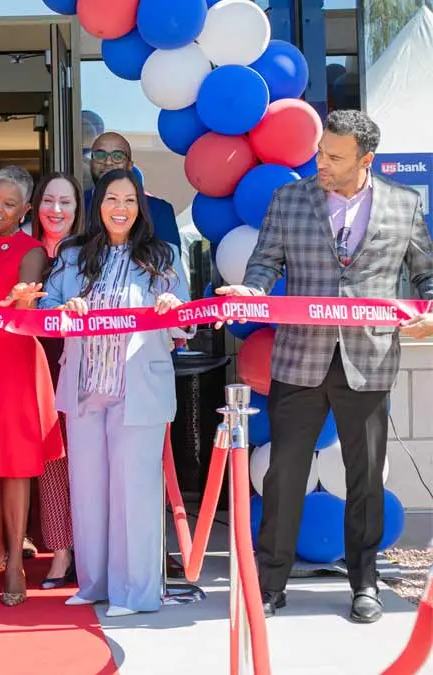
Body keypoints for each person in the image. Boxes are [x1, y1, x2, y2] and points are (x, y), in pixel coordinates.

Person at [217, 110, 433, 623]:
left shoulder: (406, 204)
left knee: (364, 478)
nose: (322, 163)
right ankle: (270, 584)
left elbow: (425, 273)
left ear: (366, 160)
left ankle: (365, 583)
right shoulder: (289, 199)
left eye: (334, 157)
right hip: (300, 360)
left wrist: (430, 315)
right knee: (283, 476)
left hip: (370, 360)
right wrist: (252, 290)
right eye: (320, 152)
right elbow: (265, 263)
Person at [31, 169, 190, 618]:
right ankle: (94, 583)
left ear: (140, 208)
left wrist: (172, 309)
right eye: (111, 199)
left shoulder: (162, 255)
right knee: (89, 491)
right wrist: (65, 307)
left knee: (134, 493)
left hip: (138, 388)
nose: (120, 208)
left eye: (130, 200)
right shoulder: (74, 254)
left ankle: (134, 593)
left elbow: (187, 323)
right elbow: (46, 309)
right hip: (85, 387)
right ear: (97, 206)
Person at [0, 167, 63, 607]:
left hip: (13, 362)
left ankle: (18, 563)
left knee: (16, 462)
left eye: (8, 203)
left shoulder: (31, 248)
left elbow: (29, 285)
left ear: (24, 211)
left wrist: (23, 295)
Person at [20, 172, 87, 589]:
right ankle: (60, 551)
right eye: (48, 201)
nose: (56, 210)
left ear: (79, 210)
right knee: (52, 461)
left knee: (88, 460)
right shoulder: (24, 251)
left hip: (82, 365)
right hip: (34, 362)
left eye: (66, 202)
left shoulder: (91, 252)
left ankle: (94, 548)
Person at [84, 133, 180, 249]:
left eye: (118, 156)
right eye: (100, 155)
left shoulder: (159, 210)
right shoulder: (76, 204)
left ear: (130, 165)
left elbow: (170, 262)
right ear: (91, 163)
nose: (108, 162)